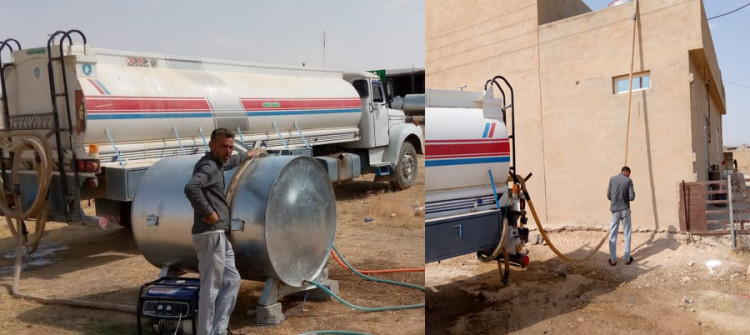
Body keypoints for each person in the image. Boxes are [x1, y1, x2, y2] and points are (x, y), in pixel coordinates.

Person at [184, 128, 260, 335]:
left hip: (219, 236)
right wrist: (209, 212)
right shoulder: (208, 166)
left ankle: (219, 330)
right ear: (211, 145)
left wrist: (246, 156)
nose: (227, 151)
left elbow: (229, 162)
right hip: (210, 235)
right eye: (223, 146)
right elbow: (191, 188)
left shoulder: (218, 163)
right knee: (210, 289)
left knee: (232, 279)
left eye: (230, 147)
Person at [607, 166, 635, 266]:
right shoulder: (628, 180)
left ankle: (613, 260)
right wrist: (624, 197)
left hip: (614, 210)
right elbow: (632, 197)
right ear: (627, 172)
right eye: (629, 174)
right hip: (625, 209)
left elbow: (609, 196)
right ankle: (627, 259)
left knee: (613, 233)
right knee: (627, 233)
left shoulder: (612, 179)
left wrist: (616, 199)